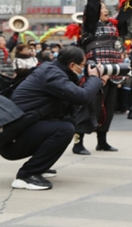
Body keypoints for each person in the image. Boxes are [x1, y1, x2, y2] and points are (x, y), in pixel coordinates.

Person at [1, 46, 105, 190]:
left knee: (67, 122)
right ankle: (26, 176)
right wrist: (94, 79)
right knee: (64, 129)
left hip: (21, 131)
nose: (86, 67)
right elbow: (82, 97)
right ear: (72, 65)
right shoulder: (52, 74)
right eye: (83, 65)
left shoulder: (55, 71)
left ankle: (40, 166)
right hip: (11, 139)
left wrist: (94, 83)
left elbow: (73, 104)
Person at [75, 0, 132, 154]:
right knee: (90, 106)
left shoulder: (114, 25)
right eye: (101, 7)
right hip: (95, 71)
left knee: (108, 109)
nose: (105, 10)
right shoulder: (89, 26)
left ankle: (102, 142)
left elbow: (124, 15)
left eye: (105, 7)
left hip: (113, 71)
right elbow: (92, 8)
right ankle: (78, 142)